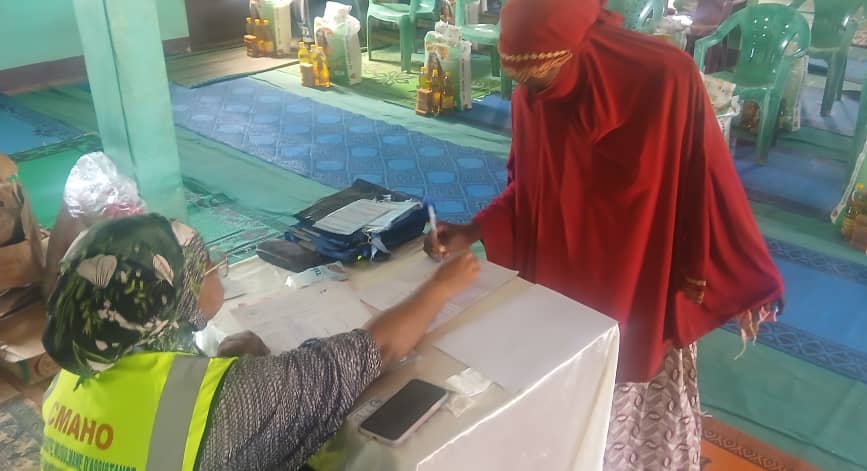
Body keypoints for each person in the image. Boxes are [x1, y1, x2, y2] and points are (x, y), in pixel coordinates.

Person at [425, 0, 785, 469]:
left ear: (577, 50)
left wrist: (746, 279)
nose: (530, 93)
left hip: (640, 290)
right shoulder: (534, 97)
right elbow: (532, 189)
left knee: (631, 428)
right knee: (565, 418)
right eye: (520, 82)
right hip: (560, 290)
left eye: (539, 79)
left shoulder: (665, 80)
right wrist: (473, 230)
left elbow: (707, 180)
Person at [41, 214, 480, 470]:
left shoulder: (73, 374)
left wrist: (216, 370)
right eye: (207, 265)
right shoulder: (232, 400)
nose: (217, 269)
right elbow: (376, 350)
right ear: (178, 299)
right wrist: (440, 287)